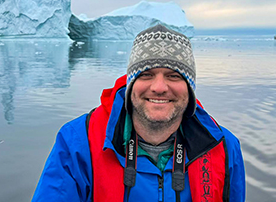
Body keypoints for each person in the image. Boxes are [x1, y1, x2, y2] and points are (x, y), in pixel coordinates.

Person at [32, 24, 245, 202]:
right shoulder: (78, 143)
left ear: (189, 88)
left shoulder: (224, 148)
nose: (159, 87)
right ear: (131, 84)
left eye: (173, 76)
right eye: (146, 74)